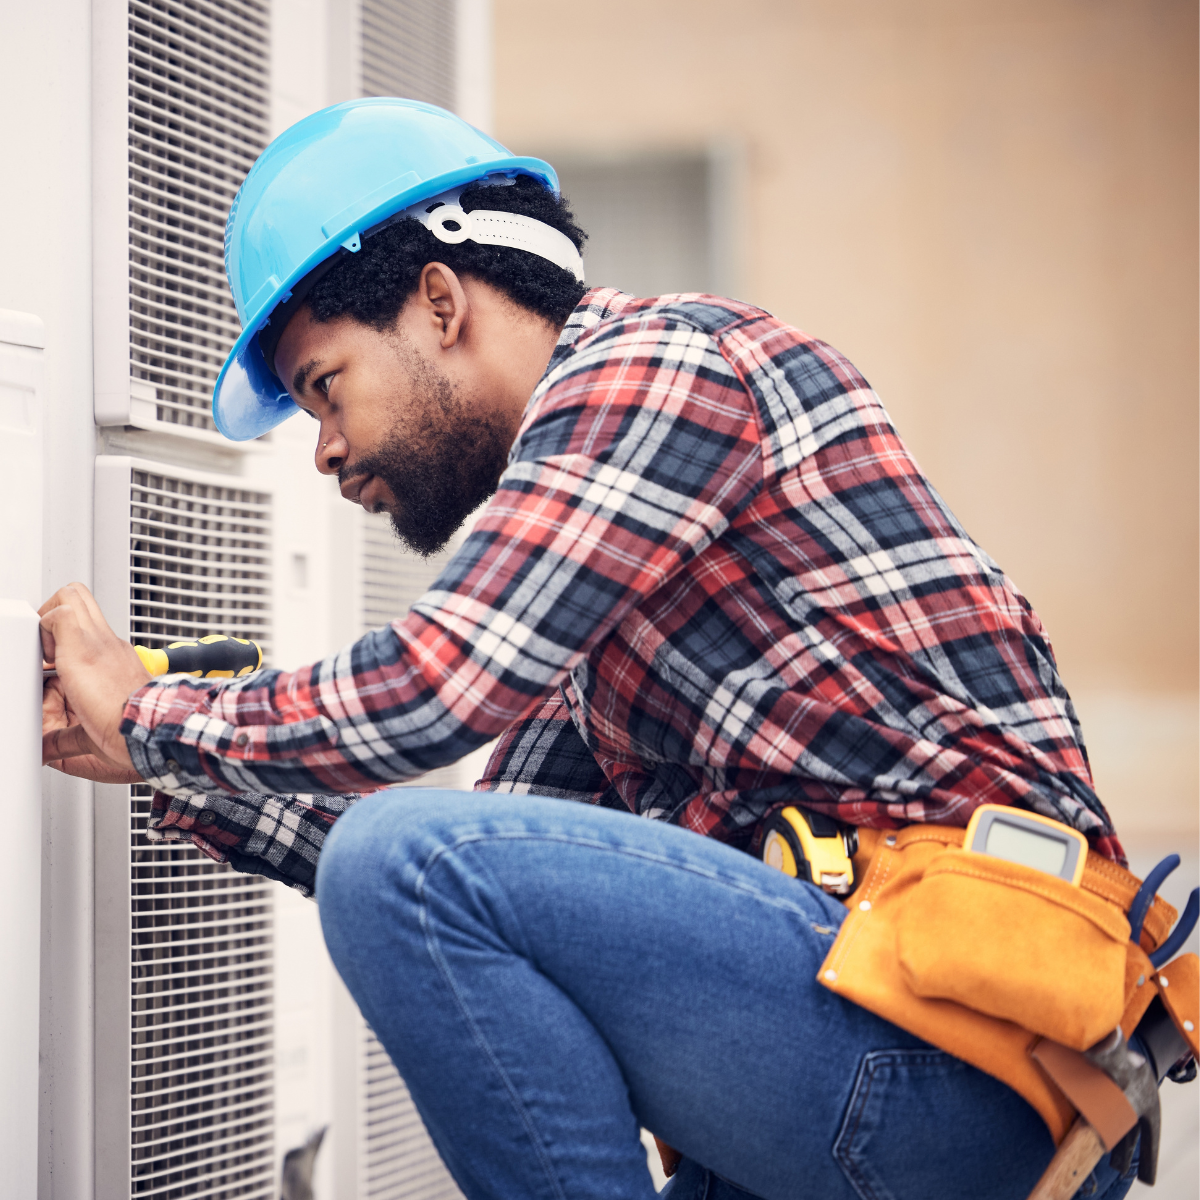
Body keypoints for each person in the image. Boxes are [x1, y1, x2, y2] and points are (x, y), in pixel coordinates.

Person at [40, 99, 1137, 1199]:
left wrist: (151, 713)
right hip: (886, 1033)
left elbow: (434, 693)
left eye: (326, 387)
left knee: (405, 855)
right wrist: (175, 767)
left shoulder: (666, 366)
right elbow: (472, 877)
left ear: (438, 305)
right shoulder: (604, 545)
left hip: (972, 1054)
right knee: (405, 861)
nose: (324, 452)